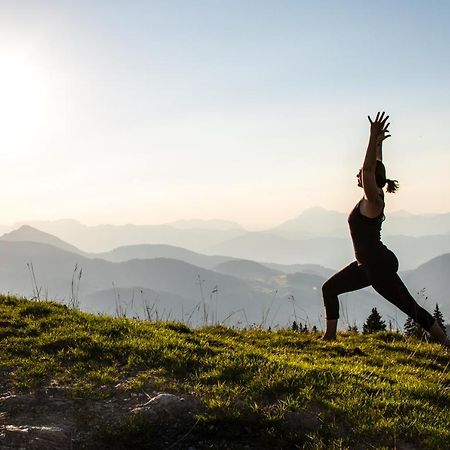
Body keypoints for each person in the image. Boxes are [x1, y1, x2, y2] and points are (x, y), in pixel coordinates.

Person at [321, 112, 450, 348]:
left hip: (379, 266)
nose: (358, 175)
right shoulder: (375, 194)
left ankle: (445, 342)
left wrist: (371, 138)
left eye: (361, 174)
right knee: (329, 288)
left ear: (370, 179)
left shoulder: (374, 201)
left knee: (409, 307)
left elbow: (370, 170)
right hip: (367, 265)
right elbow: (375, 168)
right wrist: (379, 144)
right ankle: (329, 337)